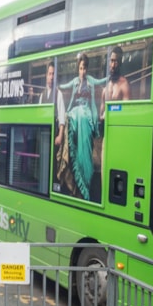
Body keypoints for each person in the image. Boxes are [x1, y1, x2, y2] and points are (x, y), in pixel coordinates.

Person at [56, 54, 104, 201]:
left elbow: (103, 80)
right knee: (72, 117)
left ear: (87, 69)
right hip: (76, 112)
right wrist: (56, 85)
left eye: (84, 68)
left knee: (83, 118)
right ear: (78, 68)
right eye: (80, 68)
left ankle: (86, 183)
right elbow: (63, 86)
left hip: (86, 112)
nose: (82, 71)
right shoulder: (75, 81)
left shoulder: (90, 81)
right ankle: (75, 183)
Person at [100, 45, 131, 126]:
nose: (113, 65)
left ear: (120, 63)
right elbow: (101, 114)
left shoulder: (124, 84)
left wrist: (111, 111)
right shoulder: (106, 86)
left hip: (119, 127)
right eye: (111, 61)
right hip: (106, 128)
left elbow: (126, 113)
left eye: (116, 62)